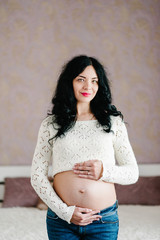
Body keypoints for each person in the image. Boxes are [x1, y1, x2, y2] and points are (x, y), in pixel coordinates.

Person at [31, 55, 139, 240]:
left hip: (103, 221)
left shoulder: (113, 123)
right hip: (61, 221)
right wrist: (65, 212)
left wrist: (104, 171)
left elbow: (132, 173)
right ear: (69, 82)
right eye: (81, 79)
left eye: (94, 81)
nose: (88, 86)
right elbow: (37, 175)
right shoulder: (51, 124)